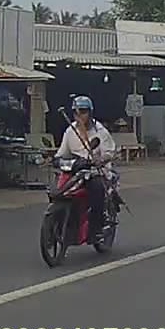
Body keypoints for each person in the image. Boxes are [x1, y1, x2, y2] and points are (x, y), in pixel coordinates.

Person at [55, 96, 116, 240]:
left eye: (83, 111)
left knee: (97, 189)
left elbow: (109, 152)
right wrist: (55, 159)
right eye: (76, 112)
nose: (79, 115)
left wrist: (100, 160)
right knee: (57, 191)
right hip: (76, 170)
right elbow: (62, 153)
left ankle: (96, 228)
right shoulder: (70, 131)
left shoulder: (100, 131)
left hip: (96, 172)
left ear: (90, 112)